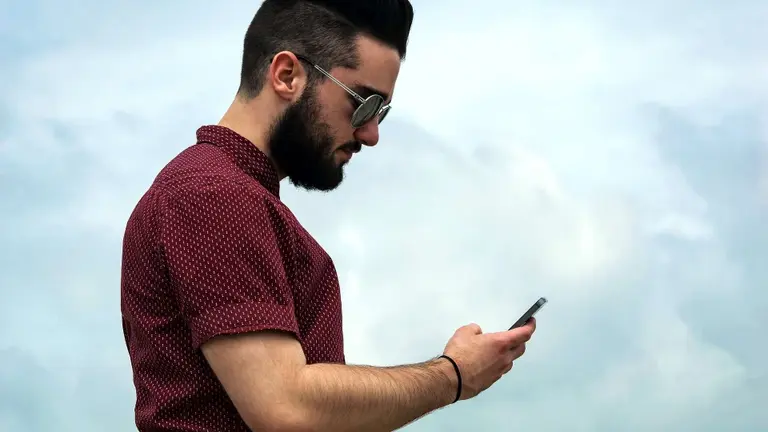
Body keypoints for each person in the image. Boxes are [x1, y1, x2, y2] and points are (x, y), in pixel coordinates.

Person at [120, 0, 537, 431]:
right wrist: (453, 375)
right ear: (287, 76)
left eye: (381, 113)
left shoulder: (225, 193)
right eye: (364, 104)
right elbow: (286, 408)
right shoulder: (213, 194)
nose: (371, 134)